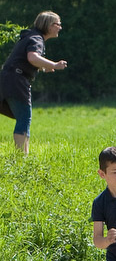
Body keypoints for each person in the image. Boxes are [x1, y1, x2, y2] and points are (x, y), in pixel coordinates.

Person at [0, 11, 67, 154]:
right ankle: (21, 158)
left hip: (6, 79)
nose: (60, 27)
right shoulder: (36, 38)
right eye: (57, 24)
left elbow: (24, 60)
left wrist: (43, 67)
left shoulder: (30, 36)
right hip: (16, 81)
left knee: (20, 116)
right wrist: (54, 65)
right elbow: (32, 57)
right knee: (24, 118)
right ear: (48, 25)